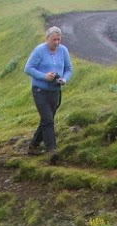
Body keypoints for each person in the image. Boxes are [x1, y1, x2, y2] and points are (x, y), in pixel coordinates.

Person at [25, 26, 73, 155]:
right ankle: (52, 150)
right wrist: (44, 76)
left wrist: (64, 79)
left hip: (55, 91)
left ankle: (33, 146)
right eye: (54, 40)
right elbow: (28, 68)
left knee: (47, 119)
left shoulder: (63, 51)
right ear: (47, 39)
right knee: (48, 120)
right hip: (40, 91)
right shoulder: (39, 51)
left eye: (59, 40)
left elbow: (69, 69)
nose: (57, 43)